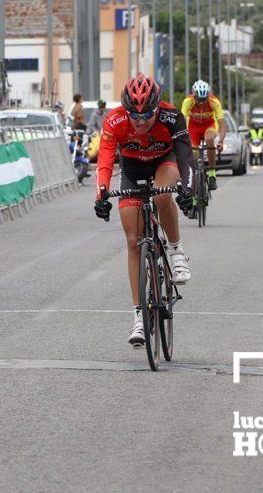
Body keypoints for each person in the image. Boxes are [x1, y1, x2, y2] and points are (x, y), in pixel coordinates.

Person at [93, 74, 195, 348]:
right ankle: (139, 315)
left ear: (157, 109)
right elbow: (104, 161)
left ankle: (175, 251)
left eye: (146, 116)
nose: (140, 122)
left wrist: (188, 191)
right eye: (134, 116)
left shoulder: (171, 117)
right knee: (132, 242)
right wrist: (101, 193)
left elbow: (186, 158)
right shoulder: (114, 121)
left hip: (165, 161)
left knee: (163, 196)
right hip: (132, 169)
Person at [180, 80, 226, 191]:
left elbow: (222, 125)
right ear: (194, 96)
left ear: (208, 96)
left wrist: (220, 141)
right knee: (194, 156)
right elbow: (181, 121)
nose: (201, 103)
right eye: (199, 100)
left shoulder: (214, 101)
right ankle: (194, 184)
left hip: (209, 126)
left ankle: (212, 174)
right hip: (193, 128)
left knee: (209, 139)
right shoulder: (188, 101)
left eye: (204, 100)